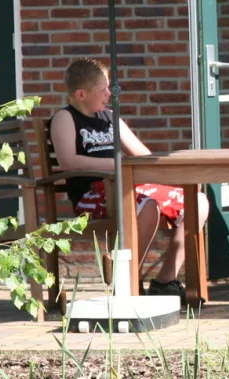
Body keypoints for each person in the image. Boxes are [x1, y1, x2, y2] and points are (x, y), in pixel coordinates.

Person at [49, 58, 209, 300]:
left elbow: (143, 155)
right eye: (103, 88)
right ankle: (126, 282)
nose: (109, 93)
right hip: (92, 194)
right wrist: (117, 165)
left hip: (130, 186)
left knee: (197, 201)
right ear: (81, 94)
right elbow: (68, 161)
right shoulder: (65, 118)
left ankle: (165, 281)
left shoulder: (111, 117)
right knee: (148, 206)